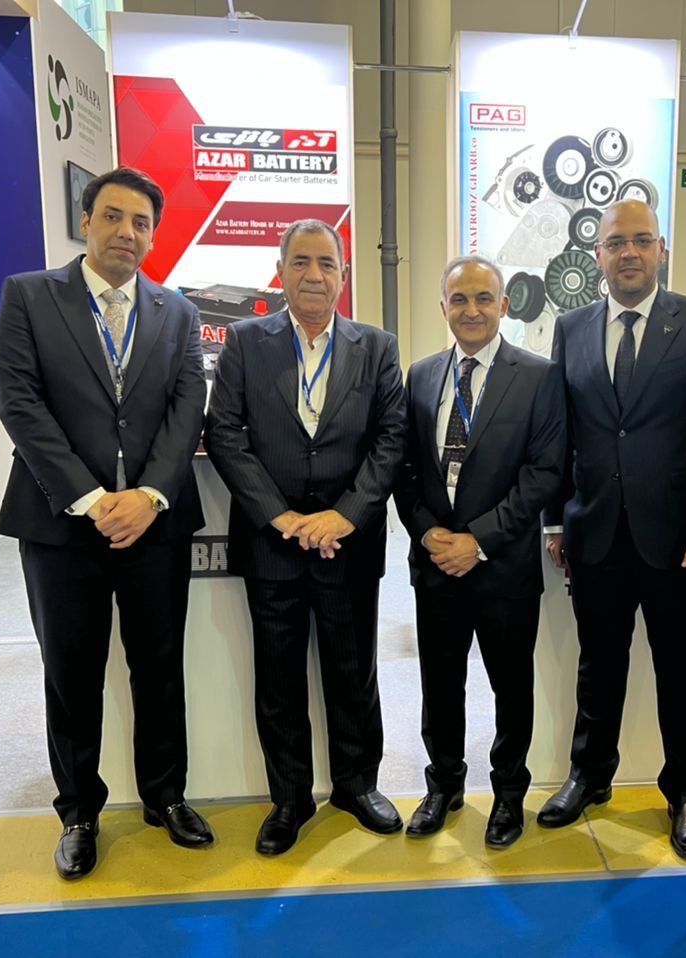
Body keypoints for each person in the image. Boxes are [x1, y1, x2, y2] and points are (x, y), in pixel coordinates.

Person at [0, 167, 213, 880]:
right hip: (62, 526)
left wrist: (148, 495)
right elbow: (19, 402)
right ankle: (79, 813)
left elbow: (187, 409)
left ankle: (166, 796)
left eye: (141, 222)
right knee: (71, 673)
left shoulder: (176, 312)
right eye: (113, 216)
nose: (127, 232)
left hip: (155, 525)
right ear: (86, 222)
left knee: (160, 667)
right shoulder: (30, 296)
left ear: (153, 236)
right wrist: (91, 499)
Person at [540, 199, 686, 861]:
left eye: (641, 241)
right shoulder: (570, 328)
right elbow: (560, 432)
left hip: (678, 538)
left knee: (679, 670)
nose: (628, 252)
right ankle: (589, 776)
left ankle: (685, 791)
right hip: (594, 531)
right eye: (616, 243)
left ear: (662, 250)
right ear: (597, 255)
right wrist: (554, 519)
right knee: (598, 666)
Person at [203, 219, 407, 856]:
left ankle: (356, 785)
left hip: (349, 542)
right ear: (280, 271)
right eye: (300, 262)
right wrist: (280, 516)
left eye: (326, 263)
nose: (313, 274)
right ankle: (289, 798)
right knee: (279, 678)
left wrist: (346, 514)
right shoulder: (245, 342)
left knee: (353, 672)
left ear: (343, 274)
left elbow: (391, 438)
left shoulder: (377, 347)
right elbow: (224, 433)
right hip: (273, 544)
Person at [394, 255, 566, 848]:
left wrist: (480, 540)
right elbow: (406, 470)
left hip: (504, 568)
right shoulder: (421, 375)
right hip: (436, 563)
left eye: (483, 298)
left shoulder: (539, 377)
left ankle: (509, 794)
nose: (472, 310)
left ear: (504, 306)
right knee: (440, 686)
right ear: (443, 307)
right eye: (460, 300)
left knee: (510, 689)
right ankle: (443, 785)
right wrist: (426, 533)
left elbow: (544, 474)